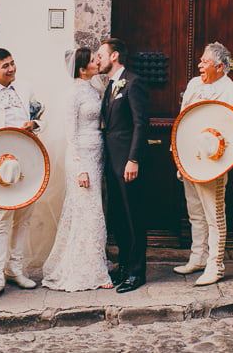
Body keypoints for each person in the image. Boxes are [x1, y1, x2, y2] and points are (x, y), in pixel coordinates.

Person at [0, 48, 45, 303]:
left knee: (24, 219)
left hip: (27, 164)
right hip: (0, 169)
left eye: (13, 63)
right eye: (5, 66)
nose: (11, 69)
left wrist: (34, 125)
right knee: (1, 222)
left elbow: (40, 118)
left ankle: (16, 269)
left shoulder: (25, 88)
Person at [171, 42, 233, 286]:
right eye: (201, 61)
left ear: (221, 67)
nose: (200, 65)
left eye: (205, 62)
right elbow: (183, 118)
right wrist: (178, 153)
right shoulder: (195, 85)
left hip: (214, 163)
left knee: (214, 214)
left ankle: (216, 264)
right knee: (194, 211)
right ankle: (198, 256)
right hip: (189, 158)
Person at [42, 47, 113, 291]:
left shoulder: (94, 89)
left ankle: (94, 261)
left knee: (90, 211)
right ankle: (92, 271)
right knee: (90, 213)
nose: (98, 62)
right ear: (83, 69)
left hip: (97, 155)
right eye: (94, 60)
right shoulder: (73, 94)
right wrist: (80, 168)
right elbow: (70, 134)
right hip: (82, 157)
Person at [96, 38, 149, 293]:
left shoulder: (134, 82)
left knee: (133, 216)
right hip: (112, 161)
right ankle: (124, 266)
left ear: (114, 55)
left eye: (100, 55)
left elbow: (140, 123)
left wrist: (133, 159)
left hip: (127, 161)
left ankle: (138, 272)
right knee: (118, 216)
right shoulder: (111, 85)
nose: (97, 60)